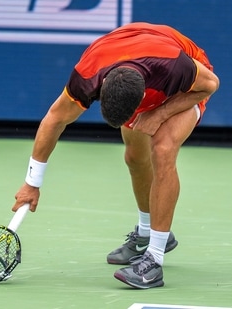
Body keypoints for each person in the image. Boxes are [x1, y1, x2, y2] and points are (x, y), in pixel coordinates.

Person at [12, 22, 219, 289]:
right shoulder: (88, 74)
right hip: (132, 61)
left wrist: (159, 114)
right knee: (134, 157)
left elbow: (211, 85)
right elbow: (54, 119)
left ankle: (154, 261)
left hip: (185, 85)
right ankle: (146, 233)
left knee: (163, 149)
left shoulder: (176, 67)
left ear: (143, 96)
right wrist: (32, 183)